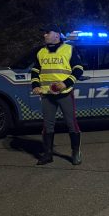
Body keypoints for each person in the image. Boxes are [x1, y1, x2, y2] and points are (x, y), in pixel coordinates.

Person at [30, 27, 85, 165]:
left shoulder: (69, 49)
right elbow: (35, 71)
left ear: (56, 35)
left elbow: (79, 69)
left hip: (64, 93)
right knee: (47, 126)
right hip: (47, 94)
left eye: (47, 33)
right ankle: (48, 154)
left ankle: (75, 153)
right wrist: (35, 86)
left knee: (71, 124)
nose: (44, 35)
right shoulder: (41, 52)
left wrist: (65, 84)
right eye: (44, 33)